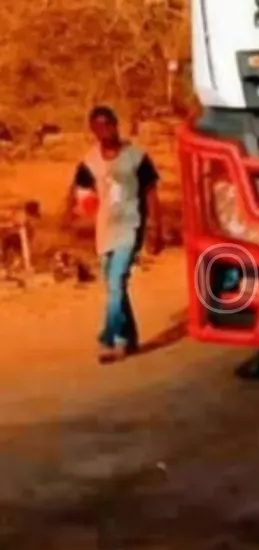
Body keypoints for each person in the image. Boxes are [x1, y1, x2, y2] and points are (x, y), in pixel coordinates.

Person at [65, 106, 162, 363]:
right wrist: (73, 215)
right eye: (98, 126)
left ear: (116, 124)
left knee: (116, 282)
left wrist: (155, 227)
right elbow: (79, 192)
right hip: (105, 228)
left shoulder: (136, 157)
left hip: (131, 225)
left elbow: (151, 193)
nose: (104, 130)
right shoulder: (90, 162)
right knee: (114, 286)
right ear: (93, 130)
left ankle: (111, 340)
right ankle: (130, 337)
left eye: (108, 124)